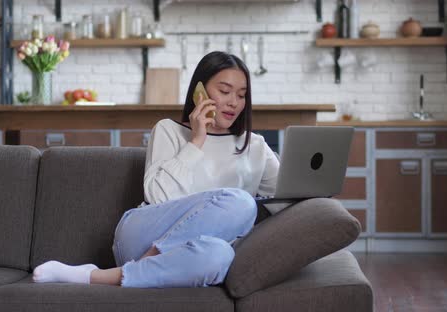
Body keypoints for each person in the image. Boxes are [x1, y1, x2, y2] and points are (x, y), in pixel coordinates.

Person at [32, 51, 280, 288]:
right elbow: (159, 198)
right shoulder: (168, 130)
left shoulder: (255, 145)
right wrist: (196, 142)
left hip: (190, 254)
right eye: (225, 91)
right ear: (199, 91)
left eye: (241, 94)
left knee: (220, 256)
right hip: (142, 235)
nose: (233, 102)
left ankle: (99, 276)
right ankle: (149, 259)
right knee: (241, 202)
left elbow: (287, 199)